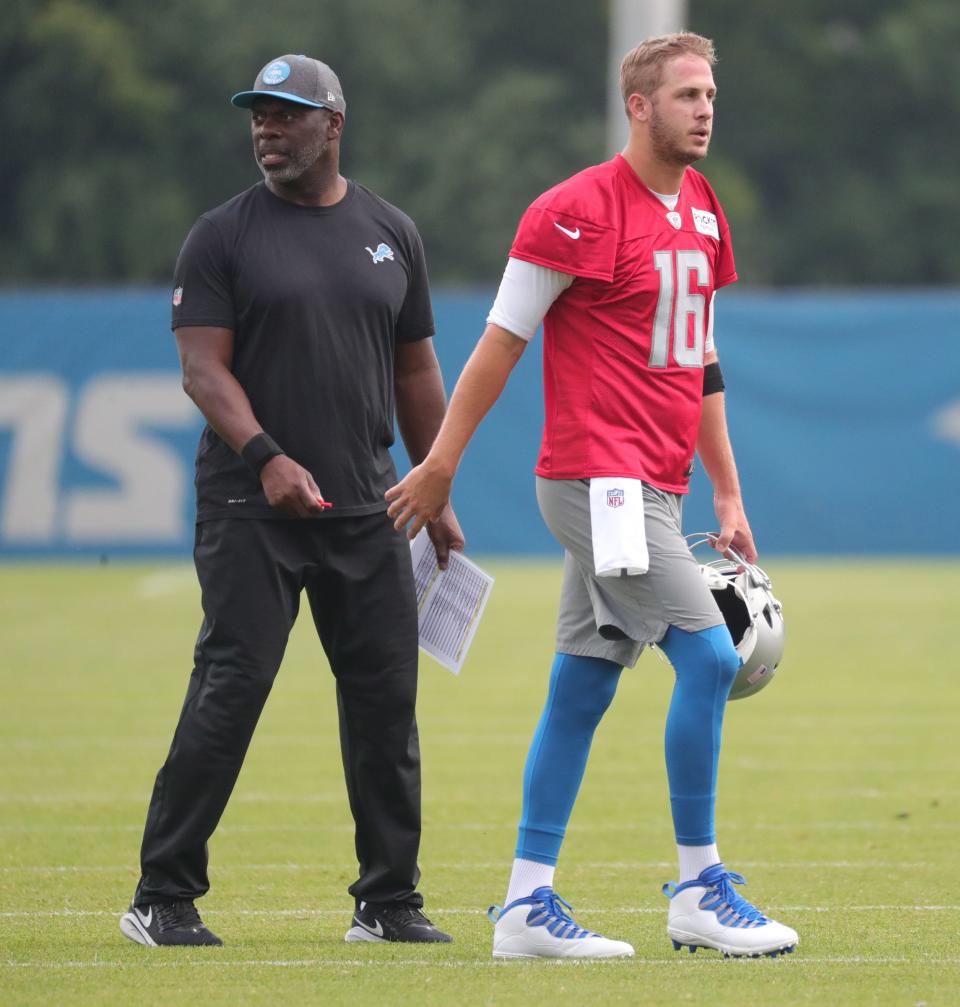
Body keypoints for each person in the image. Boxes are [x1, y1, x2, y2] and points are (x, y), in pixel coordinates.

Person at [386, 32, 799, 960]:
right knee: (709, 660)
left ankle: (527, 907)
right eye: (687, 94)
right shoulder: (573, 210)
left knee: (582, 684)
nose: (705, 109)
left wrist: (728, 494)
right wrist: (443, 460)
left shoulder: (701, 207)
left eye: (711, 93)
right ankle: (698, 886)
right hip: (596, 481)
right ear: (639, 106)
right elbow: (499, 341)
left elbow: (702, 362)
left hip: (657, 482)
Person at [119, 53, 462, 948]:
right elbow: (203, 367)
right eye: (258, 114)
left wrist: (437, 479)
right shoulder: (222, 235)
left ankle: (387, 902)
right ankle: (162, 895)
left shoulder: (391, 230)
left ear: (333, 124)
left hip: (368, 507)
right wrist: (267, 455)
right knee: (233, 687)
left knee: (387, 704)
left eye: (285, 113)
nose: (266, 127)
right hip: (250, 508)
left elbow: (416, 367)